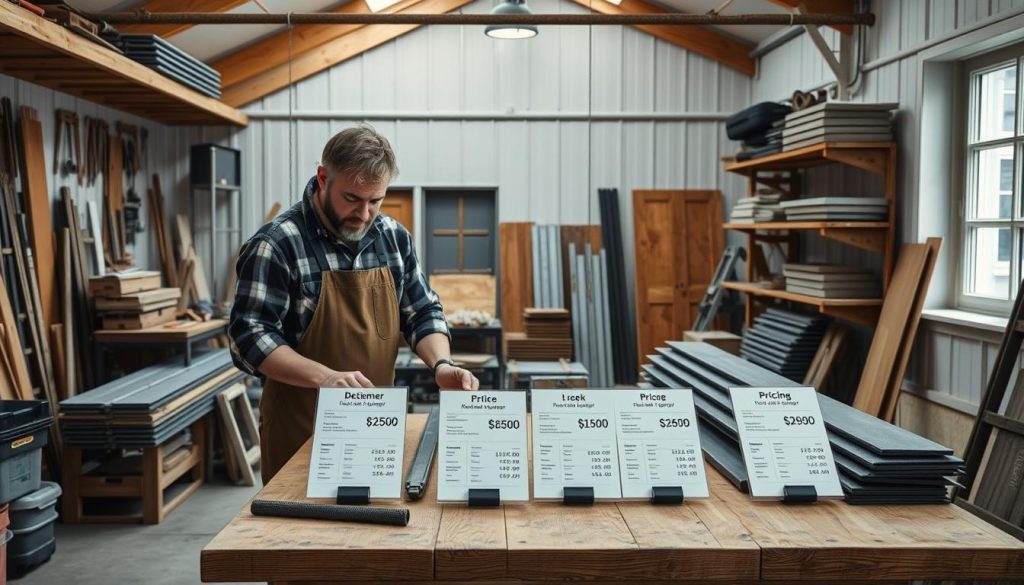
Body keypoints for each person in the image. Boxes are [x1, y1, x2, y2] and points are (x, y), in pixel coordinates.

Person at [229, 125, 479, 483]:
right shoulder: (278, 244)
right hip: (301, 432)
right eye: (352, 199)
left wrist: (440, 364)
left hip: (374, 429)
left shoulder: (393, 238)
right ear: (322, 178)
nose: (364, 214)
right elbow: (248, 338)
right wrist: (325, 377)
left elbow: (422, 311)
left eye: (375, 201)